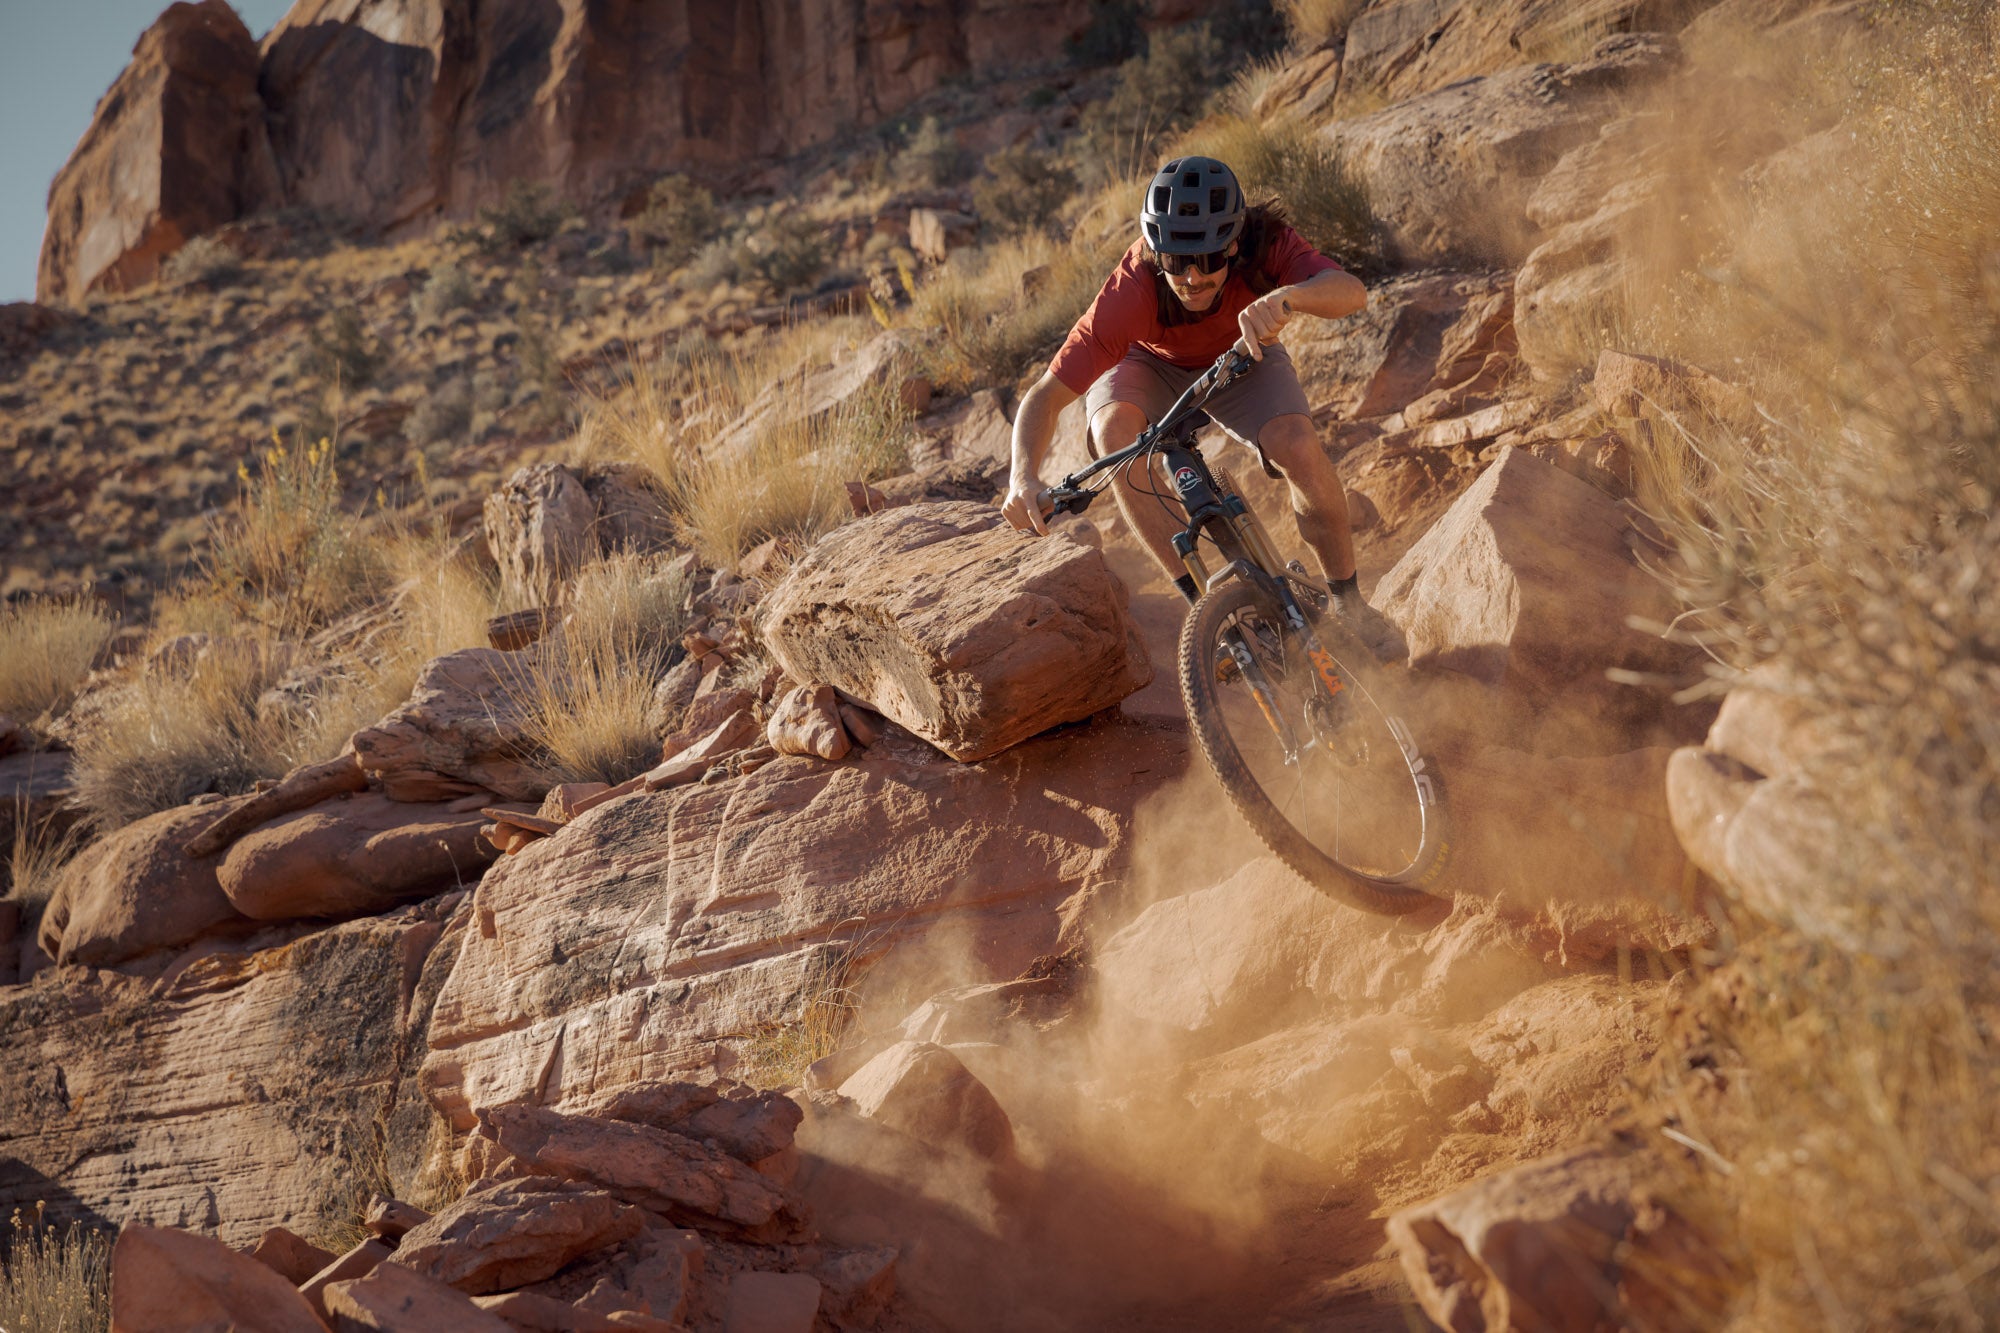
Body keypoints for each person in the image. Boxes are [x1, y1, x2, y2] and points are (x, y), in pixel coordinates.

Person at [1000, 156, 1398, 655]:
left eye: (1208, 260)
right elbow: (1047, 394)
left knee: (1295, 443)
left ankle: (1349, 605)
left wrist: (1287, 299)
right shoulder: (1132, 290)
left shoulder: (1266, 243)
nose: (1190, 278)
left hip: (1242, 350)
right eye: (1174, 261)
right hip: (1146, 364)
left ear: (1233, 243)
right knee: (1113, 436)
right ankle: (1208, 610)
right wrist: (1022, 478)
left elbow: (1352, 292)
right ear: (1154, 249)